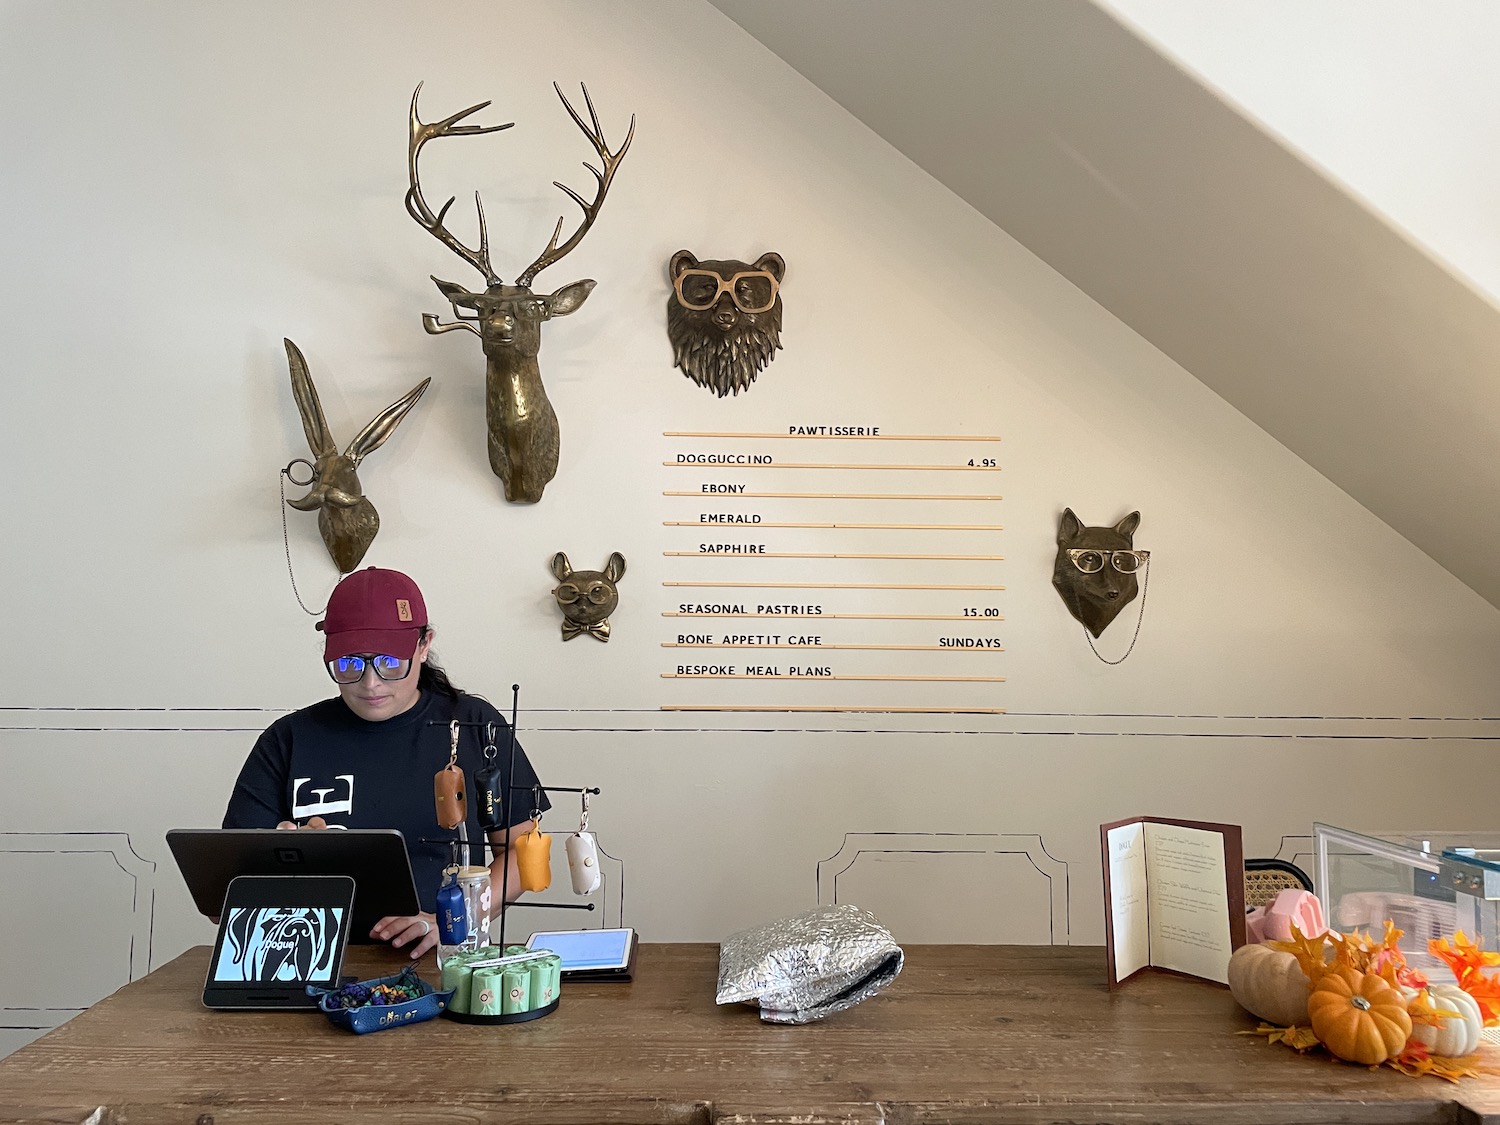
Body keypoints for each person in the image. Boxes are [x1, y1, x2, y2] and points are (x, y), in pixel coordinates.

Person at [223, 566, 549, 959]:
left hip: (443, 959)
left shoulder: (475, 726)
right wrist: (283, 856)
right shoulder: (289, 739)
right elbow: (228, 888)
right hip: (307, 958)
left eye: (390, 663)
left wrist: (451, 918)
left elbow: (525, 853)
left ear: (424, 645)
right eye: (348, 665)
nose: (370, 683)